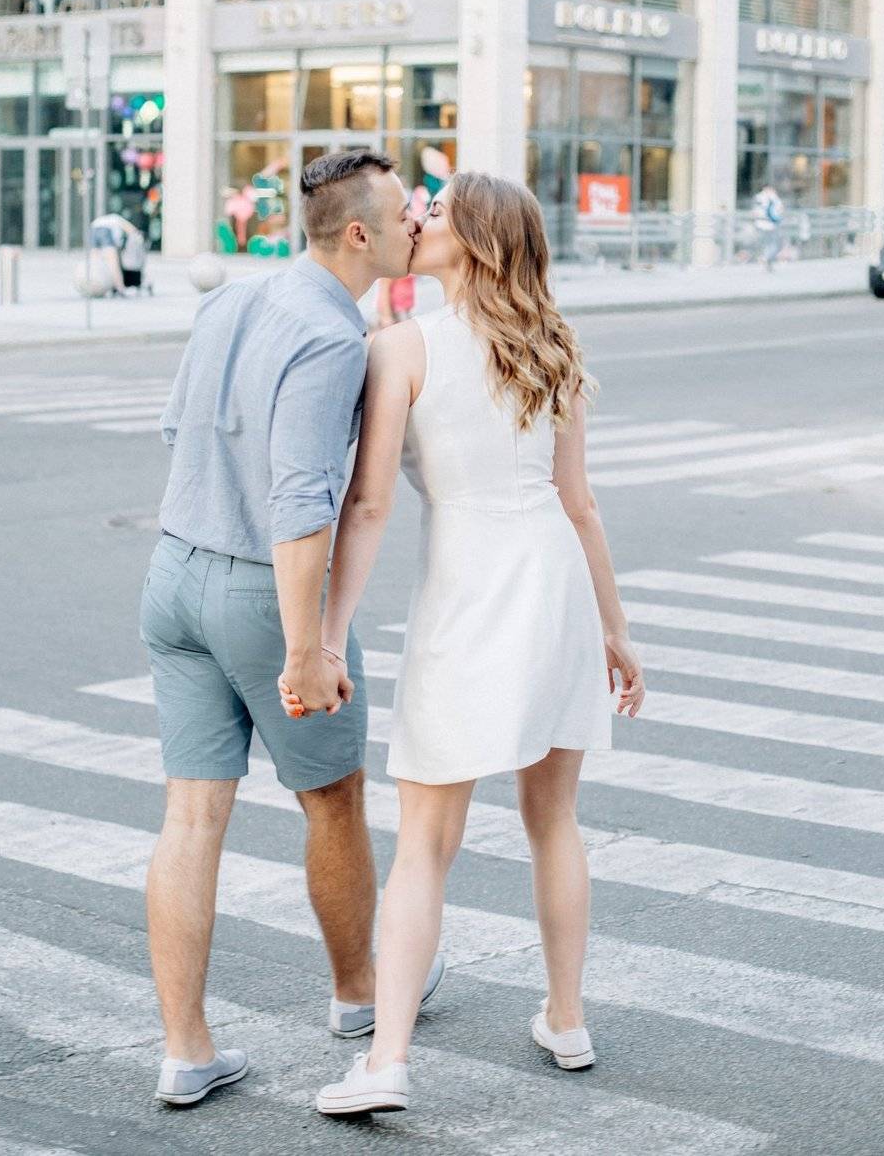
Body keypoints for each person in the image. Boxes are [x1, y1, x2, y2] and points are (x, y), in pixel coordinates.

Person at [280, 172, 645, 1117]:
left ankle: (388, 1060)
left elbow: (368, 505)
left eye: (436, 211)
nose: (418, 218)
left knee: (425, 842)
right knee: (552, 818)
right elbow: (580, 504)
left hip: (470, 588)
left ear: (475, 241)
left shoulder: (401, 347)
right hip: (554, 585)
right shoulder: (554, 345)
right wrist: (614, 627)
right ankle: (567, 1019)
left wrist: (327, 632)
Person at [140, 149, 443, 1110]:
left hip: (173, 573)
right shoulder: (332, 338)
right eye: (403, 214)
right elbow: (302, 503)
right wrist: (307, 646)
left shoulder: (230, 300)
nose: (415, 224)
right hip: (262, 593)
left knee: (191, 816)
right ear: (359, 234)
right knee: (334, 800)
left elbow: (176, 430)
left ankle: (185, 1051)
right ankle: (359, 995)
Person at [753, 182, 784, 270]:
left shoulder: (764, 197)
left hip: (765, 224)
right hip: (767, 224)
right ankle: (766, 259)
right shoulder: (769, 197)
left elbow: (755, 212)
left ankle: (766, 259)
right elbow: (780, 209)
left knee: (770, 244)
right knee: (771, 244)